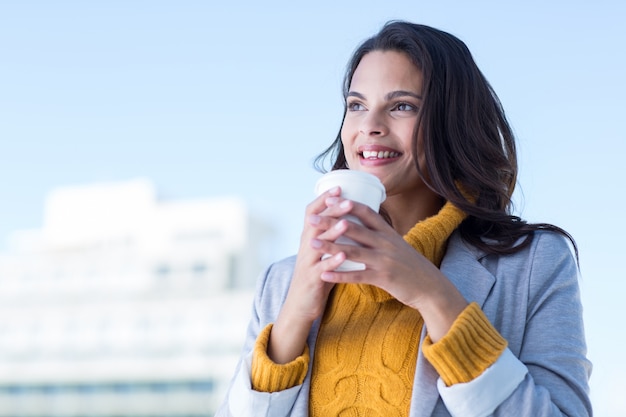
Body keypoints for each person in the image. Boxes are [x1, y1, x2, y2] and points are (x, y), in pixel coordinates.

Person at [215, 21, 592, 417]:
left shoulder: (535, 264)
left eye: (401, 106)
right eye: (356, 105)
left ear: (452, 121)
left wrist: (433, 294)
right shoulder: (279, 283)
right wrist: (293, 316)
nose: (369, 126)